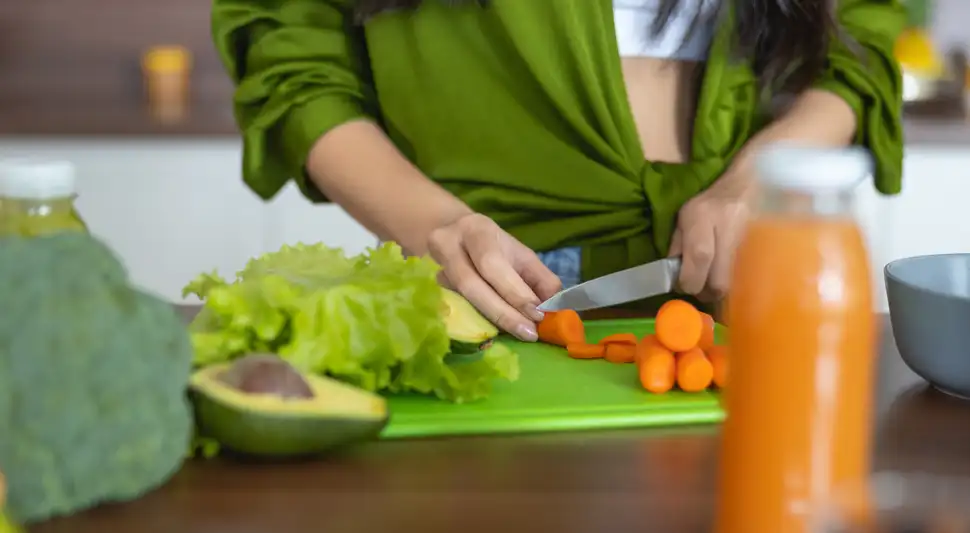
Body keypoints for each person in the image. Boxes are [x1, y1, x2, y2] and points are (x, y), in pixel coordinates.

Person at [211, 0, 905, 341]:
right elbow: (296, 63)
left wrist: (757, 180)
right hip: (501, 297)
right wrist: (436, 226)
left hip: (750, 299)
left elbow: (861, 37)